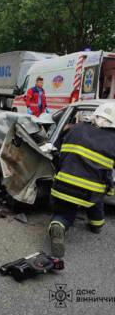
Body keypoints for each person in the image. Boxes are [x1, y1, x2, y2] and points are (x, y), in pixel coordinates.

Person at [48, 103, 115, 258]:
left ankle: (58, 225)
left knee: (64, 213)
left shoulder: (75, 128)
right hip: (90, 192)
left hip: (63, 184)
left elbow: (56, 151)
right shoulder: (112, 140)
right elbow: (108, 171)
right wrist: (110, 189)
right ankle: (96, 224)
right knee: (96, 199)